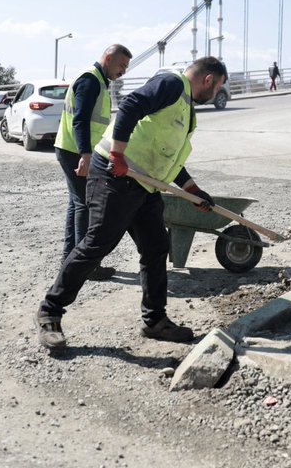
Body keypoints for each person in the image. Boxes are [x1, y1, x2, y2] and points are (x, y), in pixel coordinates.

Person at [36, 56, 229, 352]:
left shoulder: (186, 107)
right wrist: (118, 155)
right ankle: (50, 311)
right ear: (209, 80)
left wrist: (193, 189)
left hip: (143, 183)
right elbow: (130, 106)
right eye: (218, 88)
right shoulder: (171, 83)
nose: (216, 94)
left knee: (156, 246)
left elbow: (167, 156)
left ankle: (154, 320)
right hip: (114, 175)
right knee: (97, 243)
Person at [53, 43, 132, 281]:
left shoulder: (98, 80)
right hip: (76, 151)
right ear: (108, 58)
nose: (123, 71)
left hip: (72, 149)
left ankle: (70, 260)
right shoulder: (90, 80)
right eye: (121, 65)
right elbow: (80, 120)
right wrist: (86, 156)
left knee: (76, 204)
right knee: (85, 205)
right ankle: (83, 266)